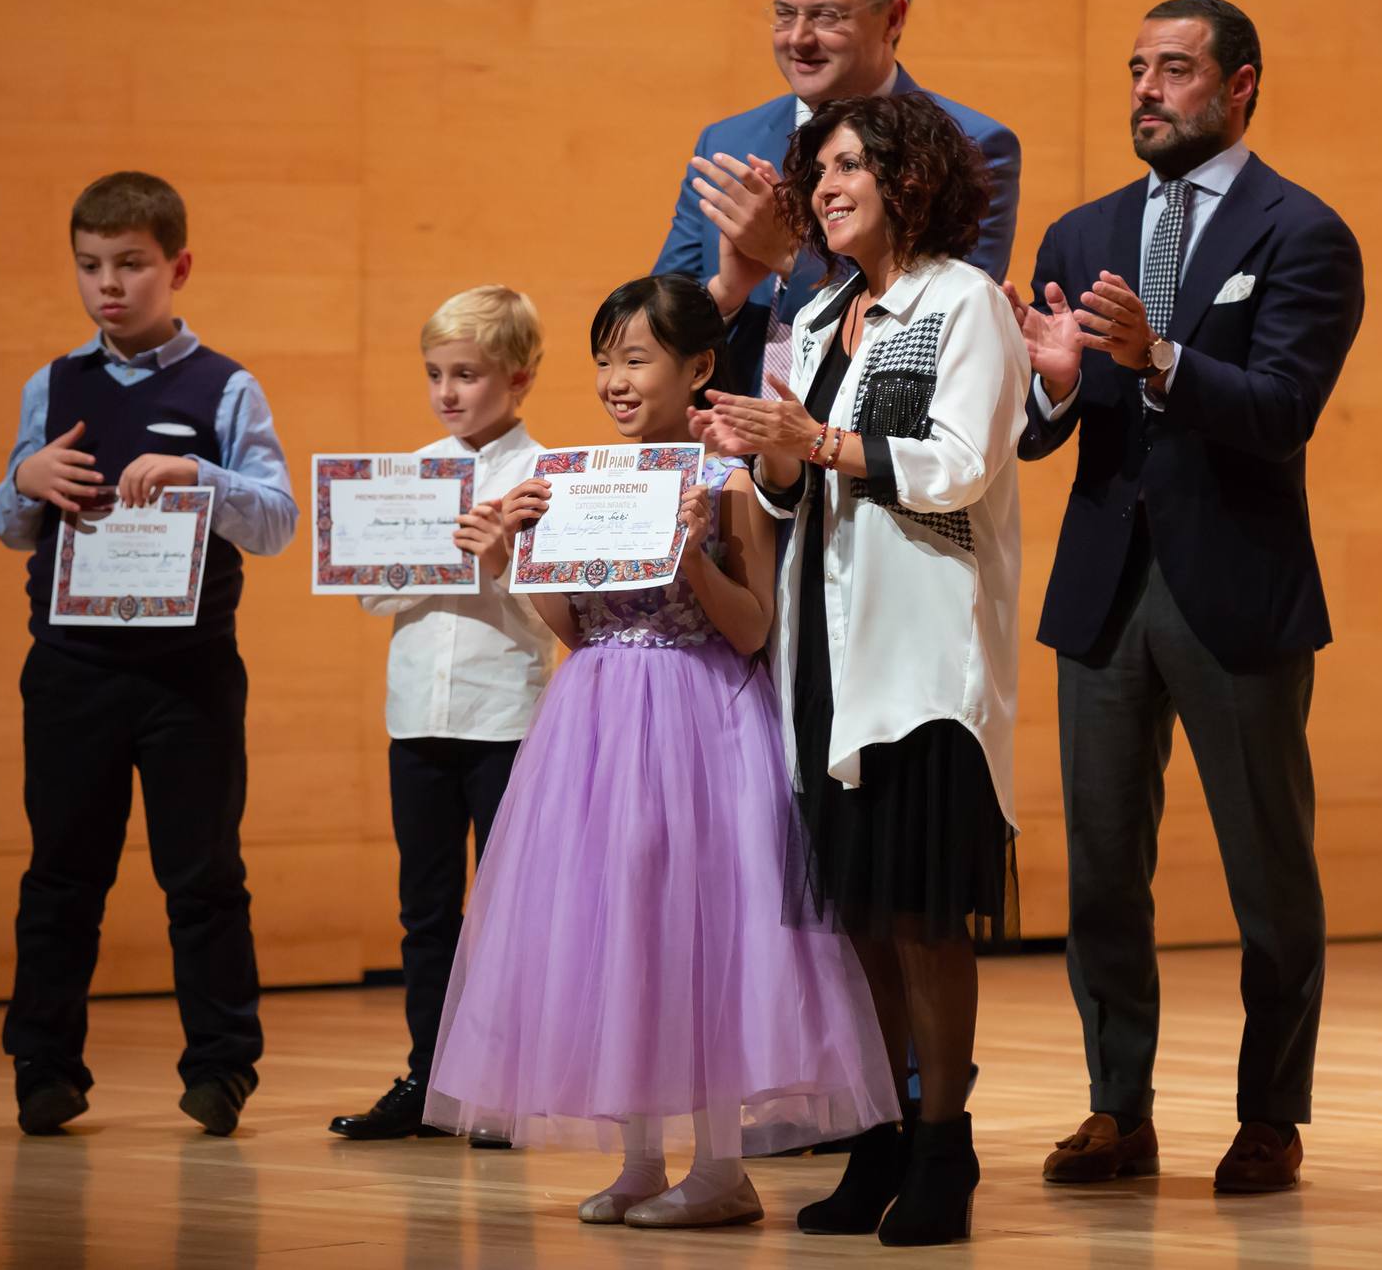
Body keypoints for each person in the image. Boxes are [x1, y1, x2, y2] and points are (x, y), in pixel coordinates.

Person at [423, 275, 897, 1229]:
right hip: (596, 718)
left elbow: (754, 625)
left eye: (636, 359)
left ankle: (721, 1167)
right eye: (605, 360)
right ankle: (641, 1157)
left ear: (698, 370)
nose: (615, 380)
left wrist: (686, 557)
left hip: (699, 713)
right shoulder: (581, 478)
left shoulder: (726, 485)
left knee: (706, 924)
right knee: (622, 922)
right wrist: (519, 555)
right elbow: (573, 626)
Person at [1008, 0, 1364, 1195]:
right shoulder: (1078, 232)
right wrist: (1056, 388)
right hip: (1104, 588)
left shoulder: (1301, 233)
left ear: (1238, 86)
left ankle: (1268, 1113)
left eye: (1172, 70)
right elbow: (1040, 434)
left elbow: (1277, 411)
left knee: (1267, 867)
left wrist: (1155, 356)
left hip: (1235, 587)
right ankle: (1117, 1111)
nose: (1145, 92)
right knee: (1103, 864)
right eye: (1134, 70)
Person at [692, 91, 1026, 1245]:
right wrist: (765, 456)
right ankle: (879, 1139)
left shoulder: (964, 302)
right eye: (817, 171)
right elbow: (794, 490)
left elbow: (958, 466)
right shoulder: (824, 303)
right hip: (824, 642)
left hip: (920, 653)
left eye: (846, 168)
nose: (823, 189)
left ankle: (946, 1150)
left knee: (924, 916)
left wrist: (815, 444)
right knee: (860, 917)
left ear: (908, 177)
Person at [0, 171, 298, 1137]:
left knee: (201, 874)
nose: (107, 285)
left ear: (179, 267)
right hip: (73, 668)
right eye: (89, 266)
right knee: (62, 872)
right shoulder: (55, 382)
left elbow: (280, 520)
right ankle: (43, 1066)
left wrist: (199, 475)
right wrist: (25, 481)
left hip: (188, 675)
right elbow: (11, 526)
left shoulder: (224, 386)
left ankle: (220, 1068)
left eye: (130, 265)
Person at [328, 286, 556, 1142]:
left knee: (505, 913)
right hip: (416, 720)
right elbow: (368, 598)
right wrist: (434, 553)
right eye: (435, 375)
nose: (448, 393)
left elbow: (553, 620)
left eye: (467, 374)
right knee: (425, 913)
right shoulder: (412, 473)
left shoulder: (546, 481)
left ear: (520, 377)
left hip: (505, 722)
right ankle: (428, 1081)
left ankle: (499, 1090)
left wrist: (498, 558)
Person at [655, 0, 1020, 399]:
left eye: (827, 16)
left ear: (893, 18)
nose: (798, 38)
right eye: (785, 13)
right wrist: (727, 293)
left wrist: (789, 257)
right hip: (728, 452)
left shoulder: (969, 147)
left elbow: (940, 324)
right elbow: (655, 323)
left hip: (875, 453)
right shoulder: (727, 144)